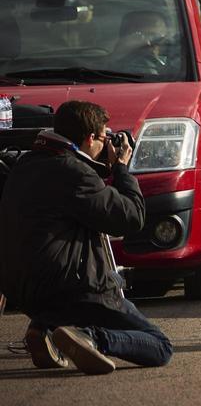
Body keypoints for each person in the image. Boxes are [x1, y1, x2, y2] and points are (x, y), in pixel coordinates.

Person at [0, 100, 173, 374]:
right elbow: (130, 218)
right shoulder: (74, 172)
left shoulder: (26, 165)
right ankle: (90, 338)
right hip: (74, 290)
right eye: (105, 137)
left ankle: (44, 328)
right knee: (160, 347)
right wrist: (122, 169)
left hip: (24, 290)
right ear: (90, 137)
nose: (107, 144)